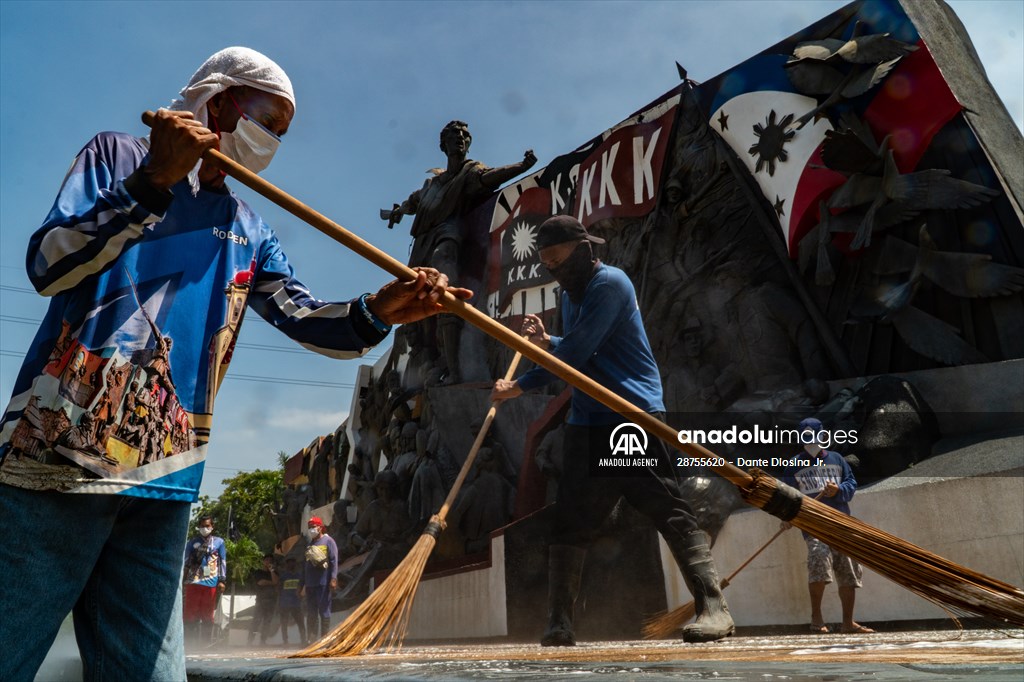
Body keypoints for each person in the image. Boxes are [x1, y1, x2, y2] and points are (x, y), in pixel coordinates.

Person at [0, 46, 471, 682]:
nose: (271, 143)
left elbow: (307, 317)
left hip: (166, 482)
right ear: (220, 103)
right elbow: (48, 264)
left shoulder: (247, 226)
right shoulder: (118, 157)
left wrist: (380, 309)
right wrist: (153, 182)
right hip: (55, 466)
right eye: (267, 123)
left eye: (282, 134)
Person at [491, 215, 734, 646]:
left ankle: (714, 607)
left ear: (584, 250)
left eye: (558, 259)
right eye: (546, 263)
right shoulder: (570, 297)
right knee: (571, 520)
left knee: (667, 508)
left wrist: (523, 381)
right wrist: (544, 351)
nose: (553, 269)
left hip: (631, 415)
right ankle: (559, 622)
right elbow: (575, 356)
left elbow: (576, 353)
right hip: (588, 421)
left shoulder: (610, 284)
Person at [383, 120, 536, 384]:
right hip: (421, 242)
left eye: (465, 136)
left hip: (447, 234)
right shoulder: (431, 184)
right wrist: (398, 212)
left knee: (445, 286)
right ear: (443, 145)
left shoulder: (470, 172)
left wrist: (521, 167)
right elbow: (413, 202)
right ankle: (429, 358)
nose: (460, 139)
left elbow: (488, 178)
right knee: (415, 292)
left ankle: (454, 371)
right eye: (455, 135)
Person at [780, 417, 875, 634]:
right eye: (806, 440)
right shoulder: (793, 465)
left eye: (813, 438)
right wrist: (787, 516)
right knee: (819, 560)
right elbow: (788, 496)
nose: (810, 444)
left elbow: (851, 484)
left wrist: (838, 490)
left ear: (822, 436)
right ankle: (816, 618)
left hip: (840, 523)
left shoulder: (837, 459)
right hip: (813, 525)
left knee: (848, 569)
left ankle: (848, 623)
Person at [182, 516, 227, 646]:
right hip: (193, 581)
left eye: (207, 526)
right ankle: (189, 643)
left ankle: (205, 643)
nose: (204, 528)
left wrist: (222, 580)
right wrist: (182, 579)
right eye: (202, 526)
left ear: (212, 526)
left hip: (211, 581)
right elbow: (185, 561)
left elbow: (222, 561)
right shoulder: (192, 542)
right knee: (190, 613)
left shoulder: (219, 542)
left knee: (207, 614)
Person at [299, 516, 338, 644]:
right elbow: (305, 567)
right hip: (310, 584)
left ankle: (324, 639)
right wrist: (301, 584)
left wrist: (333, 578)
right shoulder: (309, 545)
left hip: (323, 583)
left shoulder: (328, 541)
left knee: (324, 610)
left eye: (313, 527)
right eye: (309, 527)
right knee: (311, 612)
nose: (311, 529)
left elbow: (334, 561)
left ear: (320, 527)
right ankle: (312, 639)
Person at [248, 554, 278, 646]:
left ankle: (263, 641)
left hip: (271, 600)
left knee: (267, 622)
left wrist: (272, 571)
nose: (269, 562)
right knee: (256, 621)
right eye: (267, 560)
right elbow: (261, 582)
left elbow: (276, 581)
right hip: (261, 600)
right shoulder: (258, 572)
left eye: (271, 560)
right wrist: (272, 583)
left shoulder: (274, 572)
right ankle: (250, 641)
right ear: (263, 561)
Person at [277, 556, 306, 646]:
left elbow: (303, 588)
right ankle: (285, 641)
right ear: (286, 564)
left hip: (296, 603)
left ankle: (303, 640)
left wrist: (302, 597)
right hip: (284, 603)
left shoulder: (300, 576)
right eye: (289, 562)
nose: (291, 564)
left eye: (293, 562)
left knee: (300, 623)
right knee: (284, 623)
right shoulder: (283, 576)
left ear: (295, 563)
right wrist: (279, 600)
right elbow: (278, 588)